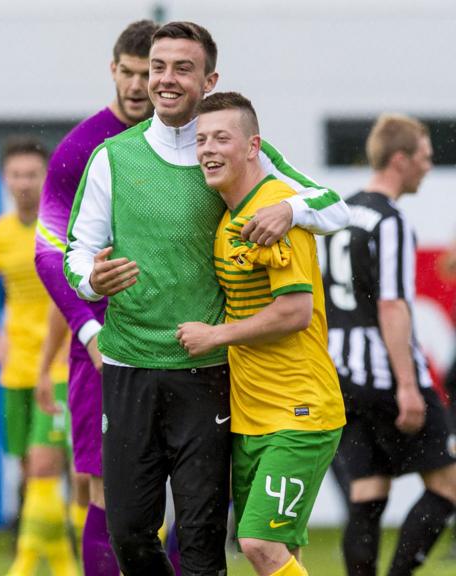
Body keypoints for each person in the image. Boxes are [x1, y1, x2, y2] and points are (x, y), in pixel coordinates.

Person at [63, 21, 350, 575]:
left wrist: (290, 210)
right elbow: (77, 251)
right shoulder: (111, 157)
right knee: (129, 533)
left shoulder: (230, 151)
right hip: (127, 366)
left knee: (200, 538)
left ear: (209, 78)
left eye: (183, 68)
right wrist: (91, 281)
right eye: (158, 67)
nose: (166, 80)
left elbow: (334, 208)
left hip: (209, 370)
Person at [176, 92, 346, 576]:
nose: (208, 149)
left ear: (253, 147)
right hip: (253, 416)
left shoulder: (274, 212)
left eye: (221, 138)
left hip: (300, 409)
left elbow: (294, 312)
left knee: (258, 544)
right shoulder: (228, 215)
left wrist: (215, 336)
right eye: (201, 139)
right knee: (280, 553)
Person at [33, 19, 156, 576]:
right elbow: (47, 253)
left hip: (184, 342)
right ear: (113, 69)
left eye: (147, 73)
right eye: (127, 72)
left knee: (197, 488)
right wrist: (88, 330)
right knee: (103, 487)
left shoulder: (199, 139)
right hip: (102, 348)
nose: (136, 86)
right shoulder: (79, 148)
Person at [321, 113, 456, 576]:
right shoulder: (389, 220)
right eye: (425, 156)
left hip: (342, 374)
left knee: (368, 491)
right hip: (383, 373)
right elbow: (393, 306)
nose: (428, 165)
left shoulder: (341, 213)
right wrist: (407, 385)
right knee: (448, 485)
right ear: (399, 160)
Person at [0, 137, 77, 576]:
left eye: (33, 174)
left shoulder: (64, 227)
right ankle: (65, 563)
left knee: (55, 468)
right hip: (17, 371)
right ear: (5, 179)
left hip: (64, 364)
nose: (24, 183)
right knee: (33, 472)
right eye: (16, 174)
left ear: (46, 178)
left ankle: (27, 564)